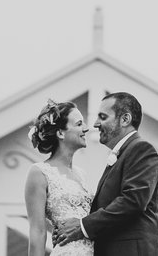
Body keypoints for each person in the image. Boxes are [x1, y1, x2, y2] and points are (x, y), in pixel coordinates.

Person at [53, 92, 158, 256]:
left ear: (125, 119)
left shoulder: (142, 149)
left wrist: (82, 226)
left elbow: (132, 201)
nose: (96, 124)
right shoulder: (124, 153)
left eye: (103, 117)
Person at [24, 99, 95, 256]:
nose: (86, 129)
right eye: (79, 124)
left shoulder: (82, 175)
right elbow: (38, 231)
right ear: (61, 133)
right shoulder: (39, 173)